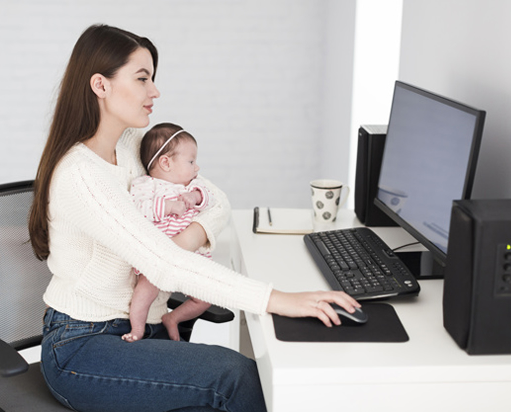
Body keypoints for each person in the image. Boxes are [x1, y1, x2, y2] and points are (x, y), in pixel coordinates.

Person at [28, 24, 360, 412]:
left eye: (153, 78)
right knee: (233, 378)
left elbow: (216, 200)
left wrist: (186, 238)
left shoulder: (133, 146)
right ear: (100, 86)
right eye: (142, 78)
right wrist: (276, 299)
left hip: (142, 328)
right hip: (82, 346)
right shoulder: (82, 175)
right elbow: (164, 265)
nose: (155, 91)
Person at [124, 123, 212, 342]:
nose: (197, 167)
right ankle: (137, 329)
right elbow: (137, 209)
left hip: (188, 258)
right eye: (191, 161)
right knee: (144, 293)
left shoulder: (191, 185)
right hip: (156, 259)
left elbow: (210, 198)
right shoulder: (146, 185)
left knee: (205, 297)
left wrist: (195, 197)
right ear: (166, 162)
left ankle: (172, 318)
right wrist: (169, 207)